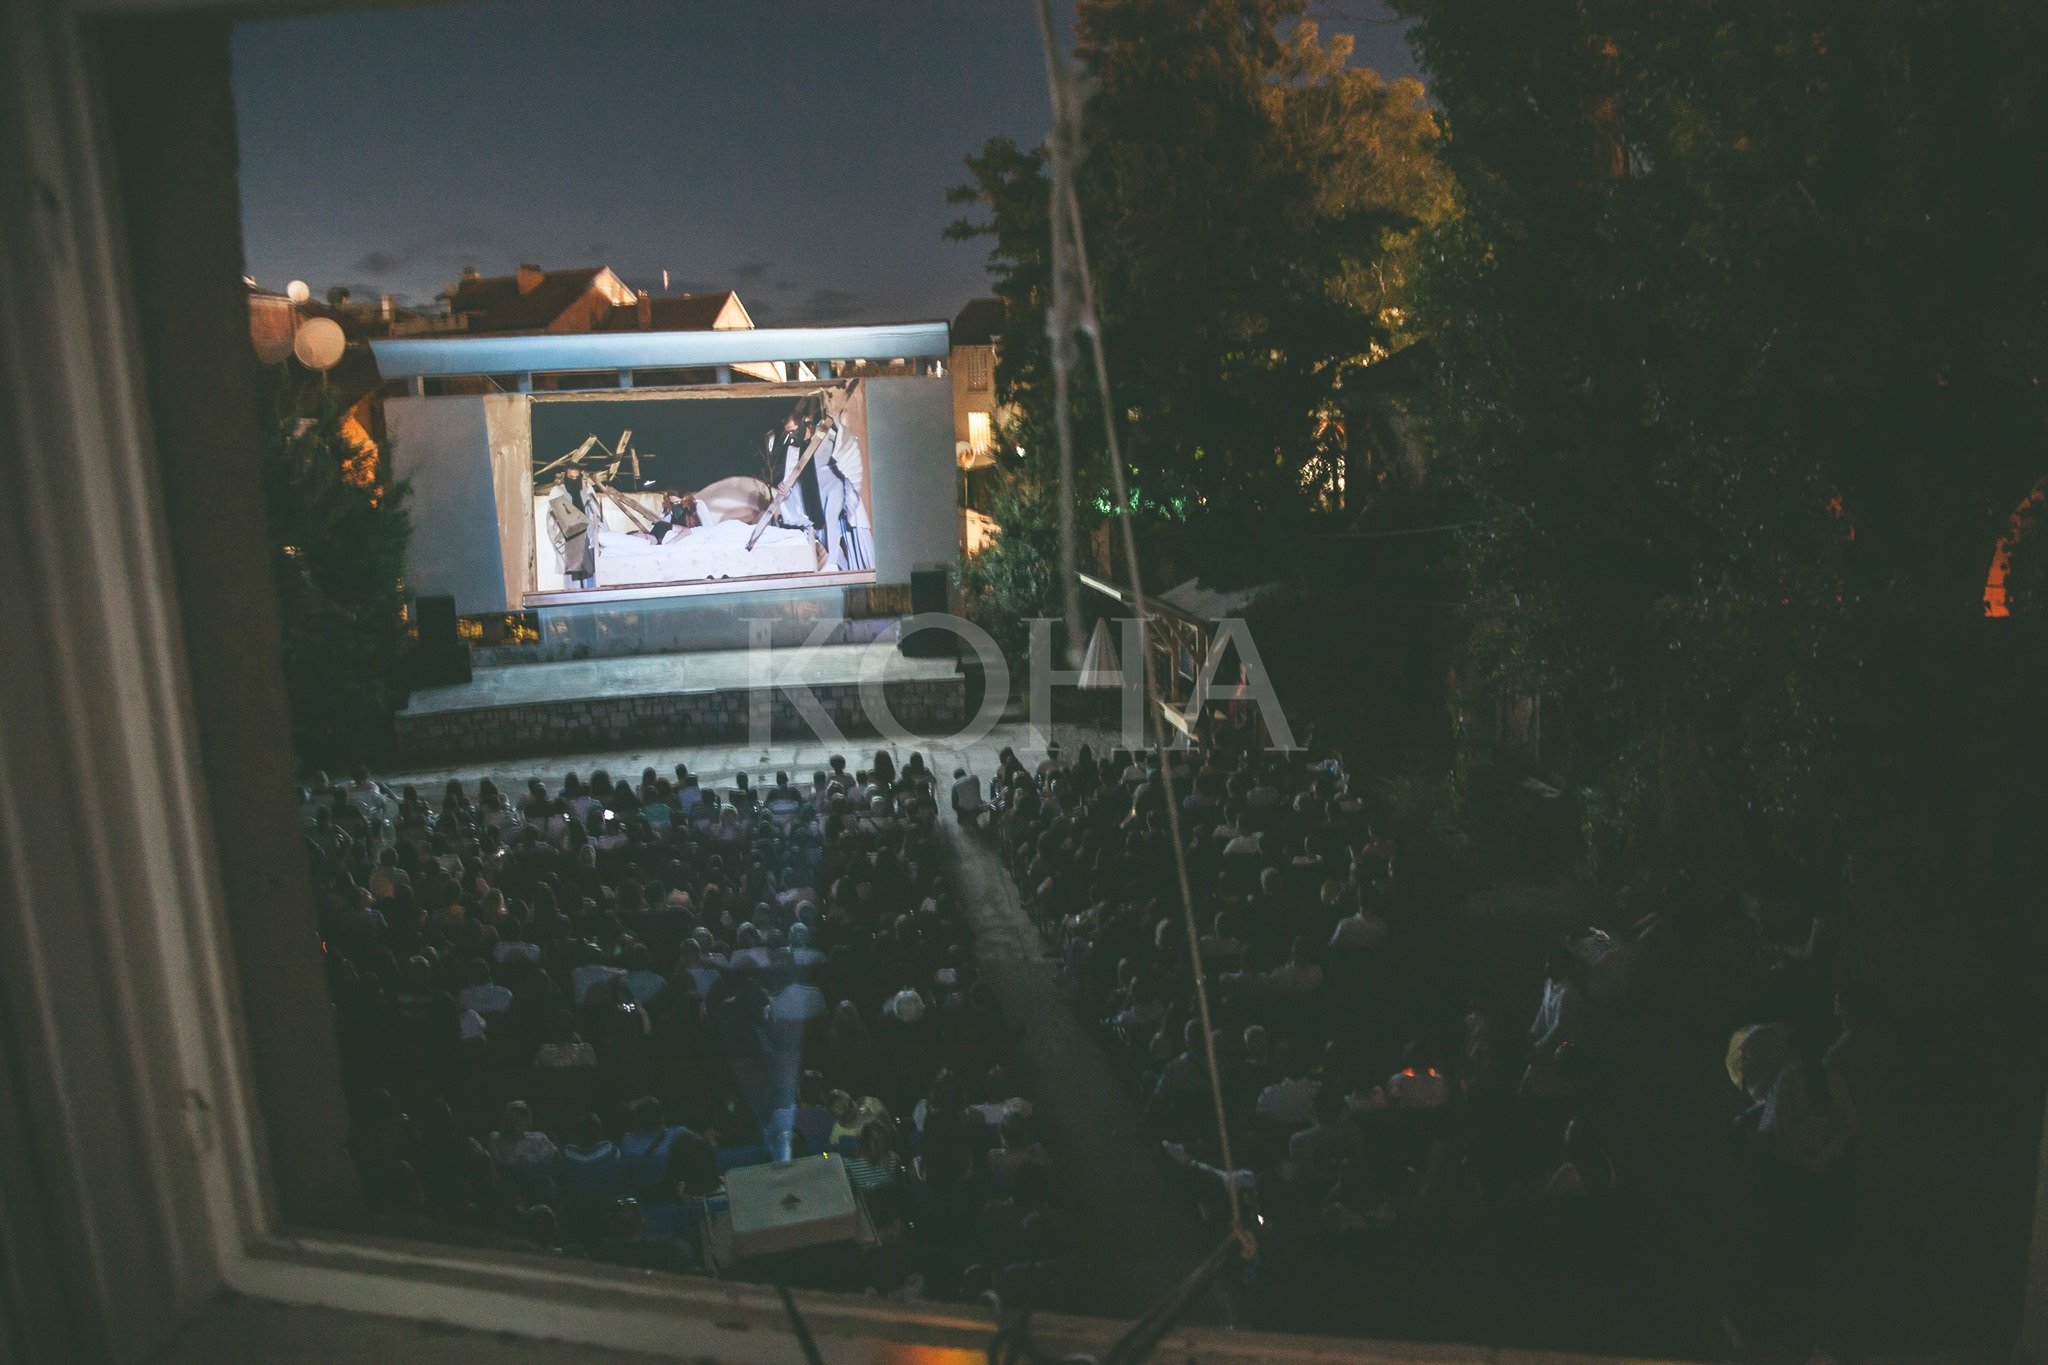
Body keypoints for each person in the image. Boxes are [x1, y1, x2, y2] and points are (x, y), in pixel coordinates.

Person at [815, 413, 873, 571]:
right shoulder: (816, 441)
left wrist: (836, 421)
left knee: (831, 517)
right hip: (826, 487)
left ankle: (833, 563)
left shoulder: (836, 434)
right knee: (825, 530)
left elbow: (847, 448)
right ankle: (840, 565)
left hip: (838, 485)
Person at [547, 466, 599, 589]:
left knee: (589, 570)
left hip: (586, 536)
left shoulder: (586, 489)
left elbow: (595, 511)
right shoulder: (558, 491)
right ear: (565, 476)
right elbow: (552, 515)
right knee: (572, 574)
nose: (574, 480)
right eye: (571, 477)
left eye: (577, 477)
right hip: (569, 537)